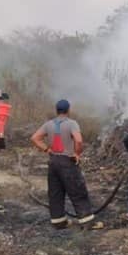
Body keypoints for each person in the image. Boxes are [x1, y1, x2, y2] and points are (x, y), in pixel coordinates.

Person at [31, 99, 101, 230]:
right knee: (77, 191)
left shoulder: (49, 124)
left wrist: (47, 149)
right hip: (67, 161)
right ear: (68, 110)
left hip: (53, 161)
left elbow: (35, 138)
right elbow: (79, 141)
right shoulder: (72, 124)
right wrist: (77, 153)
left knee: (55, 192)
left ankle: (58, 222)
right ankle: (87, 222)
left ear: (56, 110)